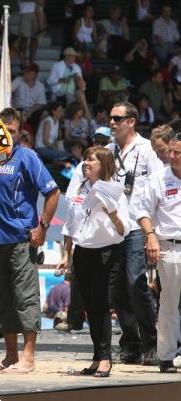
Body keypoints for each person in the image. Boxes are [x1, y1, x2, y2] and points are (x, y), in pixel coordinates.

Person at [0, 107, 60, 373]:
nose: (6, 136)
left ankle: (29, 357)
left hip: (21, 238)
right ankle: (10, 355)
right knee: (4, 299)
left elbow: (53, 191)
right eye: (2, 131)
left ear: (20, 132)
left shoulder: (27, 156)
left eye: (11, 131)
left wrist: (43, 227)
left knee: (25, 299)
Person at [59, 146, 130, 378]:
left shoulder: (114, 190)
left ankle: (106, 358)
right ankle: (97, 357)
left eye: (91, 159)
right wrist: (65, 253)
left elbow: (123, 230)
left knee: (101, 306)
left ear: (104, 164)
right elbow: (70, 223)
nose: (86, 163)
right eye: (85, 159)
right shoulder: (79, 187)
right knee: (90, 306)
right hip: (83, 252)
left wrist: (113, 216)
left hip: (107, 253)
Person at [107, 101, 163, 365]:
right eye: (110, 118)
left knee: (134, 281)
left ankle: (151, 342)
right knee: (116, 289)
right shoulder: (107, 151)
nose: (111, 122)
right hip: (111, 229)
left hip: (136, 226)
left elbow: (156, 189)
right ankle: (130, 342)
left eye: (117, 118)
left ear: (131, 121)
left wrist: (152, 231)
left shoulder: (147, 149)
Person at [137, 132, 181, 373]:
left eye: (177, 153)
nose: (171, 156)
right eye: (171, 151)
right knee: (169, 303)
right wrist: (150, 236)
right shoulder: (158, 178)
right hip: (170, 246)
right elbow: (143, 211)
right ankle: (166, 356)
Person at [17, 1, 40, 65]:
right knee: (24, 38)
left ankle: (31, 62)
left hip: (37, 13)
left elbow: (42, 1)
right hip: (24, 12)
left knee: (35, 38)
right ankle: (23, 60)